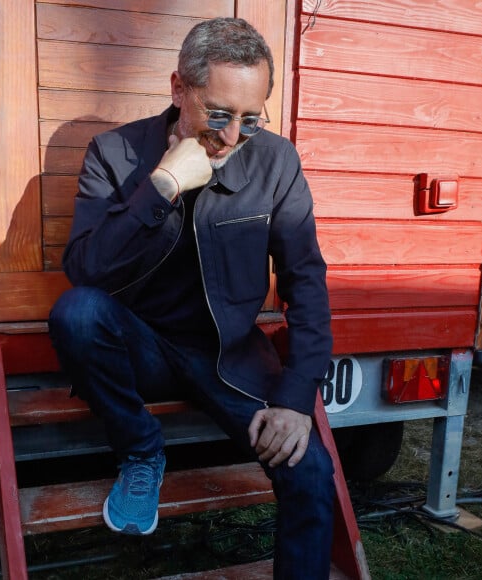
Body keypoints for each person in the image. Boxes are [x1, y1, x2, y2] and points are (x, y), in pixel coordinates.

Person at [49, 17, 335, 579]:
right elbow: (86, 269)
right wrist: (161, 186)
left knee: (311, 473)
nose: (232, 138)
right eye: (219, 115)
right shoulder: (115, 153)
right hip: (143, 350)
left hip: (230, 358)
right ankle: (141, 451)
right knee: (76, 313)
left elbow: (306, 280)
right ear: (179, 88)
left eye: (251, 119)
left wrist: (297, 398)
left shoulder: (276, 161)